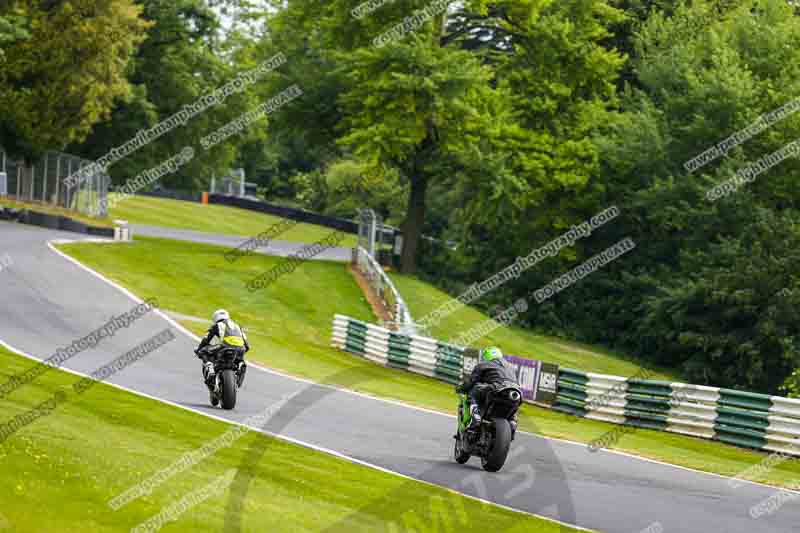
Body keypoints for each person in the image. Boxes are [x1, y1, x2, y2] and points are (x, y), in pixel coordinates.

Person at [456, 346, 520, 431]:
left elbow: (472, 382)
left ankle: (475, 417)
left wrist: (461, 388)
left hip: (496, 388)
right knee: (513, 406)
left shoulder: (483, 365)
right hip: (516, 392)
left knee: (475, 389)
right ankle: (512, 422)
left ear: (486, 356)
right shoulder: (511, 367)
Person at [194, 309, 249, 389]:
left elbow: (206, 339)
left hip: (224, 346)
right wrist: (241, 352)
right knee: (241, 361)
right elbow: (247, 345)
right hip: (240, 348)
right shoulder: (237, 326)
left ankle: (210, 368)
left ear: (215, 318)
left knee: (203, 351)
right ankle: (239, 372)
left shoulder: (217, 325)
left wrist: (199, 349)